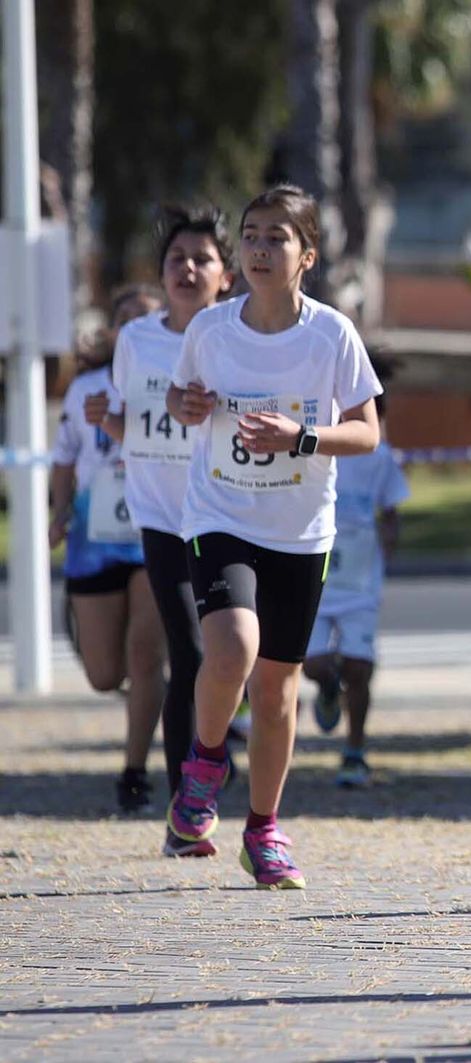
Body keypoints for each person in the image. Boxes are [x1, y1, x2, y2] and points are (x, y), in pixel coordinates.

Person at [165, 184, 382, 888]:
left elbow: (367, 432)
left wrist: (302, 437)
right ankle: (204, 765)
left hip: (299, 530)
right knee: (233, 645)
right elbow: (180, 395)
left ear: (307, 255)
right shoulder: (211, 329)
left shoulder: (331, 334)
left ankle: (262, 829)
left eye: (276, 238)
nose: (259, 248)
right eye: (251, 235)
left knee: (277, 688)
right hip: (221, 515)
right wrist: (186, 404)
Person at [91, 207, 237, 855]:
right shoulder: (137, 341)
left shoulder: (235, 337)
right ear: (162, 273)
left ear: (225, 276)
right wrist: (109, 423)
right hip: (162, 517)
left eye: (202, 259)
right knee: (191, 653)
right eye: (177, 258)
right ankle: (187, 813)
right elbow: (131, 423)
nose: (188, 268)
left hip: (228, 516)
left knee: (232, 656)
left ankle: (216, 745)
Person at [51, 285, 167, 814]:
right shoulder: (86, 388)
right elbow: (64, 461)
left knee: (145, 656)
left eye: (147, 318)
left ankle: (134, 771)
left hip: (154, 535)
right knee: (104, 675)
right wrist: (59, 512)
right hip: (95, 542)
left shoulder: (175, 379)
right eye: (126, 319)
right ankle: (159, 691)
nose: (134, 327)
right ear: (114, 330)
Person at [304, 382, 409, 789]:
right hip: (317, 574)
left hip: (360, 580)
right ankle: (329, 688)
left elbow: (391, 509)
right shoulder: (314, 447)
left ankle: (355, 750)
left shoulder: (379, 456)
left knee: (360, 666)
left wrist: (387, 546)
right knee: (314, 663)